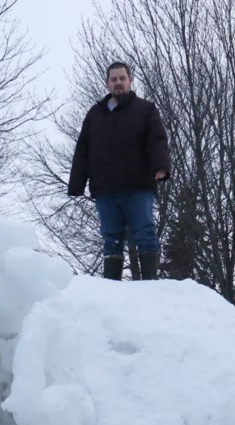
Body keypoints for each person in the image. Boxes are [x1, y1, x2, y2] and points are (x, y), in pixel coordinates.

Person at [67, 61, 171, 280]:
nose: (118, 83)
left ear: (130, 80)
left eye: (122, 78)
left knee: (144, 231)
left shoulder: (145, 109)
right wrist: (76, 184)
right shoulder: (95, 114)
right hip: (106, 188)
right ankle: (111, 288)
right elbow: (83, 149)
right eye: (114, 80)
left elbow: (157, 140)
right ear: (107, 83)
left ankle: (151, 283)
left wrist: (161, 166)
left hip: (138, 185)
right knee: (111, 237)